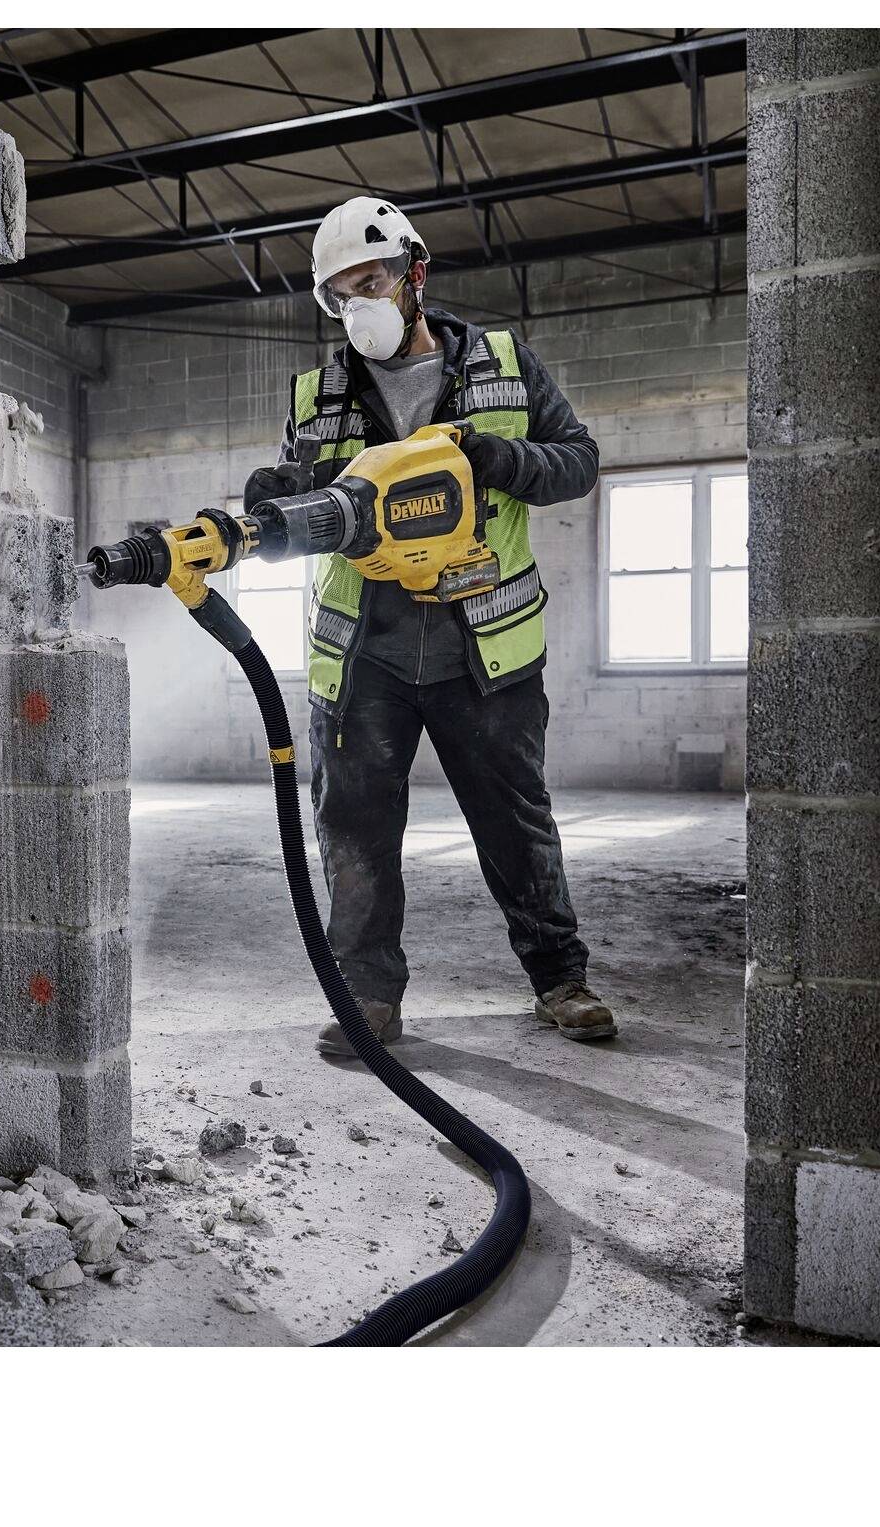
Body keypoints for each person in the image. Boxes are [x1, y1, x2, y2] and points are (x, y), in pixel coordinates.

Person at [245, 195, 616, 1057]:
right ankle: (369, 998)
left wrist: (499, 457)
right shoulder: (317, 394)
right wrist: (273, 503)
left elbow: (579, 463)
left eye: (371, 281)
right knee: (356, 834)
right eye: (340, 294)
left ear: (415, 272)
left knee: (516, 825)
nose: (359, 305)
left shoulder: (502, 364)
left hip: (482, 647)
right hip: (364, 655)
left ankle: (560, 979)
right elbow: (309, 511)